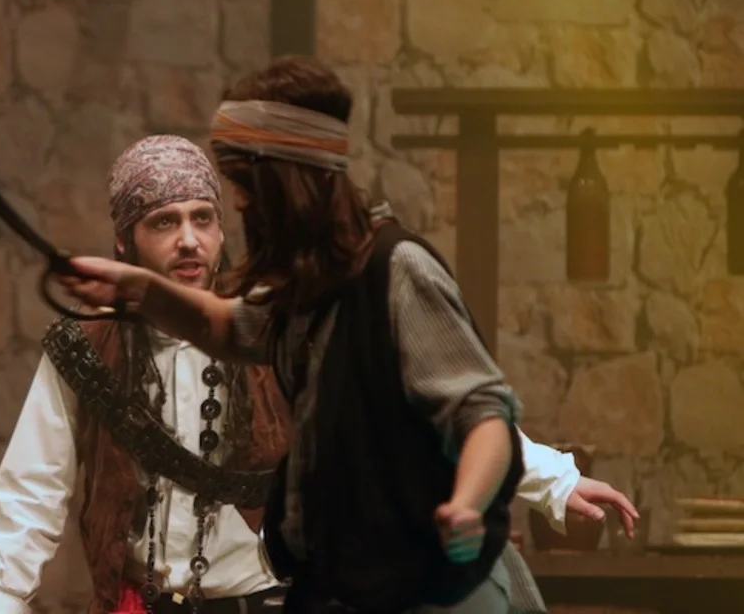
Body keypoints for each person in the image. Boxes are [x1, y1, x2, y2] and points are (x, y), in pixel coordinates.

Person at [56, 58, 563, 613]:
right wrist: (136, 289)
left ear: (289, 180)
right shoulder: (311, 287)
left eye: (246, 186)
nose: (241, 203)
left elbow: (485, 414)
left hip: (431, 593)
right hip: (352, 590)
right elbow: (224, 326)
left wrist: (466, 504)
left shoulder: (396, 270)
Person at [0, 136, 292, 614]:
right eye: (164, 222)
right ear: (124, 240)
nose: (189, 239)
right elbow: (34, 484)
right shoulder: (87, 346)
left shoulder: (274, 335)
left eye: (202, 218)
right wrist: (0, 599)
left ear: (220, 230)